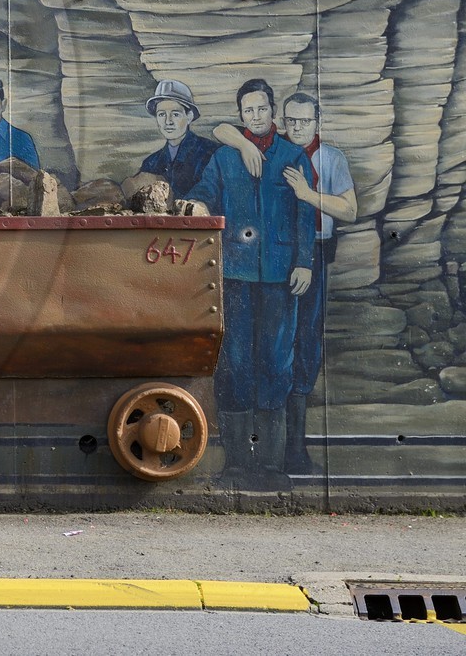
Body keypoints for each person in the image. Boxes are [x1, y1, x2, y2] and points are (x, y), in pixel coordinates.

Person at [214, 91, 356, 475]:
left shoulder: (326, 158)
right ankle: (260, 456)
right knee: (257, 351)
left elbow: (348, 209)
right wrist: (241, 140)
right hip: (270, 265)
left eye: (304, 122)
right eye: (291, 121)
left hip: (311, 256)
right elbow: (222, 129)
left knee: (301, 348)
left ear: (316, 123)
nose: (297, 128)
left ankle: (293, 451)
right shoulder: (262, 150)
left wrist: (307, 195)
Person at [189, 78, 314, 490]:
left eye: (262, 109)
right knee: (236, 364)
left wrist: (305, 263)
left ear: (273, 112)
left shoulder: (294, 155)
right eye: (248, 111)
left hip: (281, 277)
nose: (255, 117)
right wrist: (197, 204)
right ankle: (238, 466)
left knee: (276, 363)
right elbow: (203, 194)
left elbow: (305, 216)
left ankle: (273, 469)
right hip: (235, 276)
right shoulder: (225, 158)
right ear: (240, 115)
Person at [137, 78, 218, 200]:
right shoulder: (151, 162)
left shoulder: (211, 153)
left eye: (175, 114)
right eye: (161, 114)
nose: (168, 121)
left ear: (189, 116)